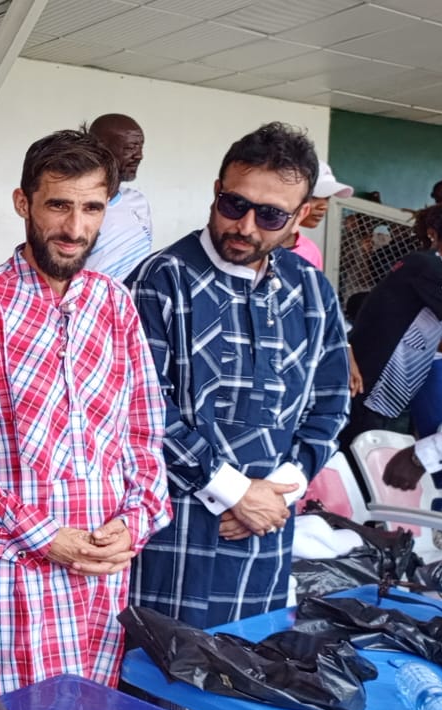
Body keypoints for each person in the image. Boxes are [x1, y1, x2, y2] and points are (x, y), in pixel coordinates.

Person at [0, 130, 170, 704]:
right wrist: (45, 537)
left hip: (102, 585)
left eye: (92, 208)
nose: (75, 228)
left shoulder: (115, 305)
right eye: (59, 205)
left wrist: (135, 522)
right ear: (23, 202)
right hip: (14, 584)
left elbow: (144, 437)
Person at [127, 122, 349, 629]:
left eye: (270, 215)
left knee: (249, 664)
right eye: (234, 204)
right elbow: (140, 405)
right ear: (216, 191)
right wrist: (233, 491)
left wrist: (281, 490)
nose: (245, 226)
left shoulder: (312, 292)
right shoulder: (161, 280)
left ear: (300, 216)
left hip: (266, 531)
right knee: (158, 667)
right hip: (174, 533)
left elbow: (332, 403)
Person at [341, 204, 442, 481]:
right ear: (433, 234)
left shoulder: (421, 266)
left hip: (391, 386)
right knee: (368, 467)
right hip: (379, 387)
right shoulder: (427, 265)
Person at [83, 113, 151, 279]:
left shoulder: (139, 203)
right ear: (99, 149)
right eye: (130, 148)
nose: (139, 155)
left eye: (140, 147)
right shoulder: (76, 210)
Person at [284, 161, 353, 270]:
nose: (324, 206)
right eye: (314, 197)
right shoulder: (259, 240)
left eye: (327, 198)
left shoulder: (311, 252)